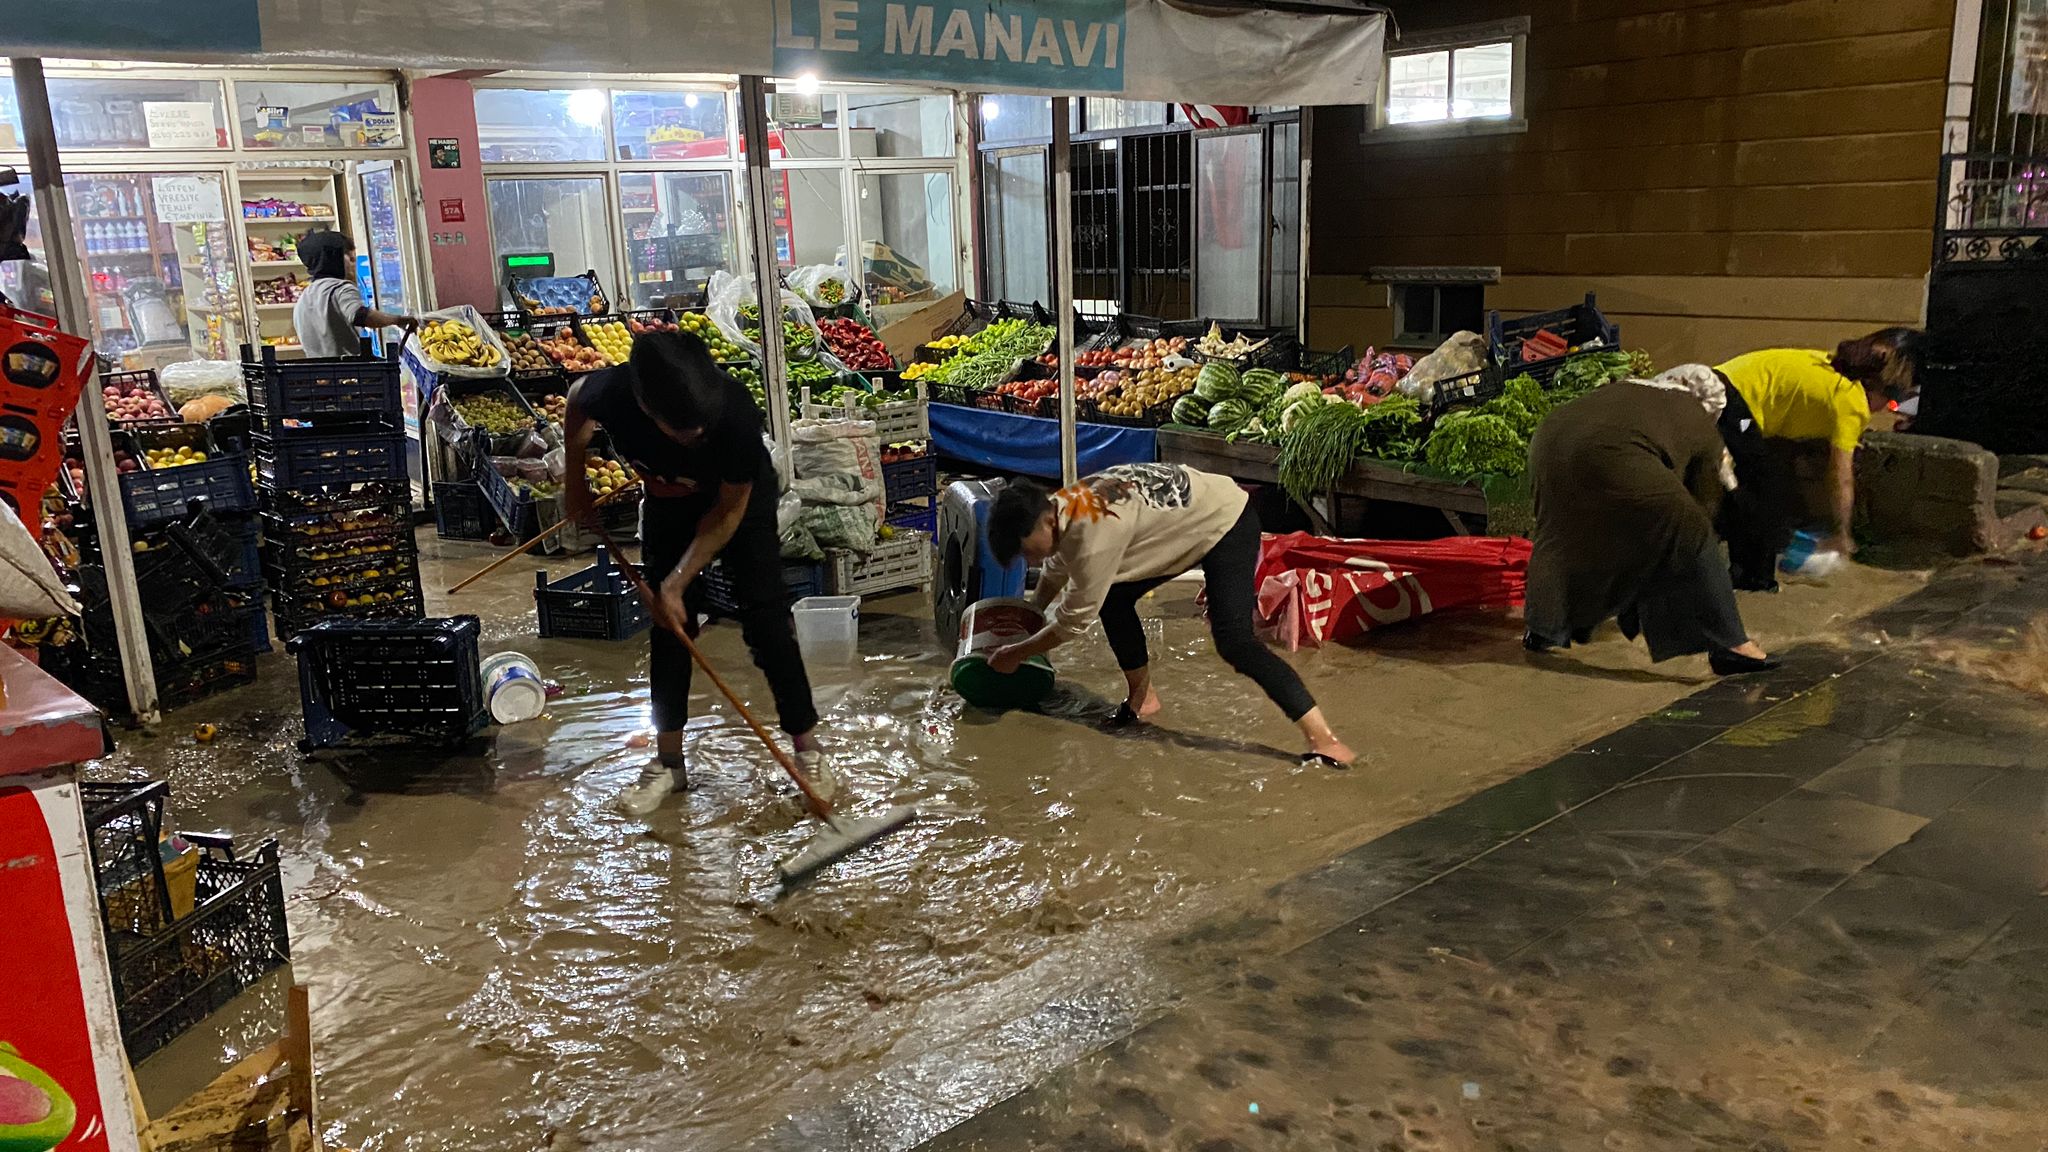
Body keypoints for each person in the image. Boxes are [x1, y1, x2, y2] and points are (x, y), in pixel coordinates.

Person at [563, 330, 830, 816]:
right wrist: (575, 483)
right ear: (644, 406)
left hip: (737, 505)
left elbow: (727, 516)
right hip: (670, 504)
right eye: (683, 430)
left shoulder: (734, 418)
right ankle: (669, 763)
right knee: (670, 626)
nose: (696, 436)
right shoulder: (615, 394)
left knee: (766, 619)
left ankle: (808, 750)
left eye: (700, 427)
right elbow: (577, 400)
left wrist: (678, 580)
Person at [983, 463, 1356, 767]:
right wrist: (1029, 614)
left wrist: (1018, 652)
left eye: (1024, 551)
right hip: (1186, 517)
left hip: (1226, 520)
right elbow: (1055, 570)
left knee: (1235, 643)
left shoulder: (1092, 533)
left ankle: (1325, 739)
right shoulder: (1063, 505)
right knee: (1113, 599)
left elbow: (1074, 620)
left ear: (1045, 522)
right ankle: (1142, 700)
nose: (1028, 561)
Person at [1523, 366, 1778, 675]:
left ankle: (1544, 631)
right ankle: (1732, 646)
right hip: (1612, 453)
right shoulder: (1699, 418)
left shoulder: (1634, 393)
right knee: (1693, 530)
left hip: (1549, 439)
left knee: (1558, 535)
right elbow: (1699, 504)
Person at [1714, 328, 1922, 589]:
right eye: (1895, 400)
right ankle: (1752, 579)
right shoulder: (1851, 403)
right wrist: (1842, 534)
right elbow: (1841, 475)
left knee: (1761, 476)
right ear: (1882, 387)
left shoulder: (1826, 365)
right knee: (1763, 487)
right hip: (1731, 402)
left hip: (1719, 384)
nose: (1890, 409)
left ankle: (1744, 562)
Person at [291, 230, 415, 357]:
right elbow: (361, 316)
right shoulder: (340, 287)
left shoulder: (304, 298)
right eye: (351, 259)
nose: (353, 265)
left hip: (320, 374)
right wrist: (397, 320)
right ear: (334, 260)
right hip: (349, 372)